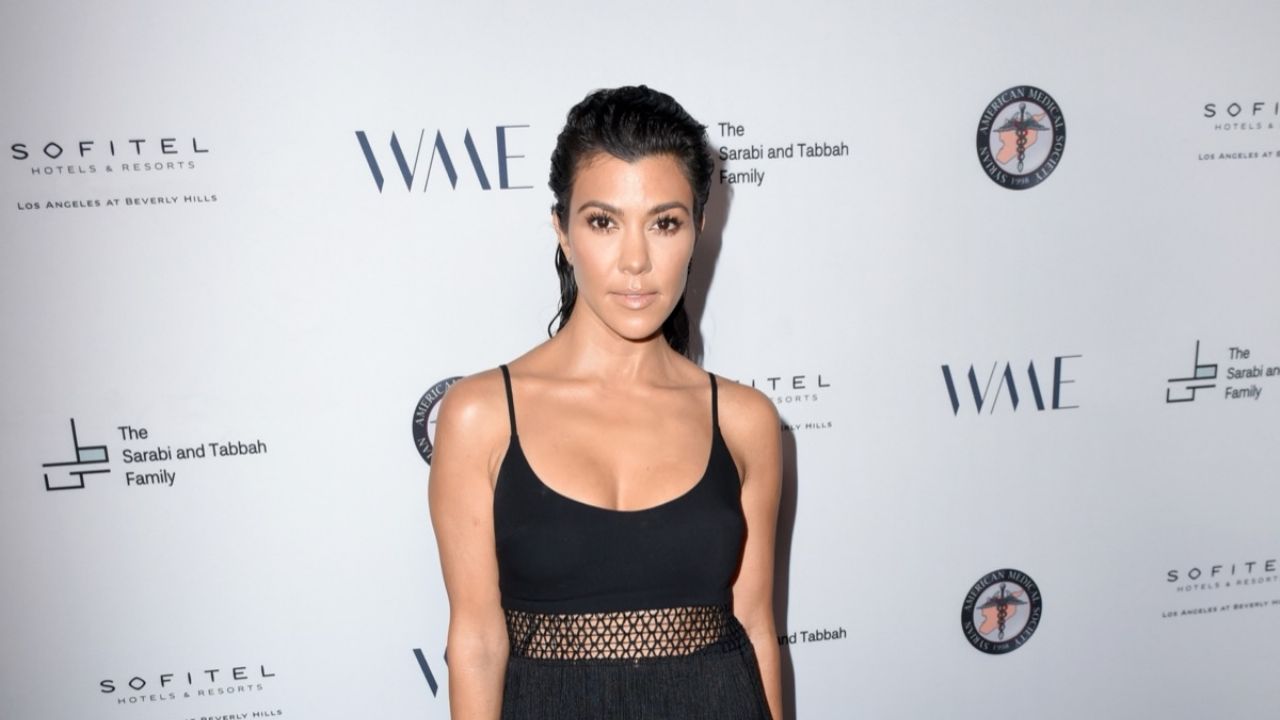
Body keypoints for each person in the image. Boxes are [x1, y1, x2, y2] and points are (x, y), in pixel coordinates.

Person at [428, 85, 782, 720]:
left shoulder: (743, 419)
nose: (636, 261)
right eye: (603, 222)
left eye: (665, 223)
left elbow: (755, 626)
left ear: (699, 229)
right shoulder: (481, 415)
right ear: (563, 231)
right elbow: (476, 643)